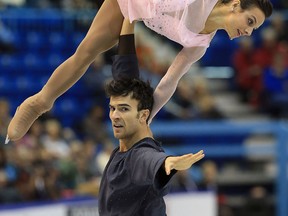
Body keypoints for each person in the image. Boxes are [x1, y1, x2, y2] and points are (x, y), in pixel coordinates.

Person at [6, 0, 273, 142]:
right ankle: (39, 103)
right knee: (85, 53)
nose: (248, 31)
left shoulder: (199, 45)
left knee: (94, 54)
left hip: (135, 12)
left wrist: (144, 123)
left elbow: (168, 83)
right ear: (236, 4)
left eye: (254, 29)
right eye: (250, 21)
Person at [99, 77, 205, 215]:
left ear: (143, 116)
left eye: (124, 109)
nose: (115, 116)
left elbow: (151, 160)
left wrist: (167, 162)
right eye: (112, 108)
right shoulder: (122, 152)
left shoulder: (139, 155)